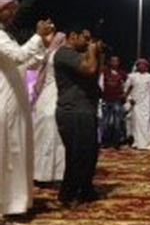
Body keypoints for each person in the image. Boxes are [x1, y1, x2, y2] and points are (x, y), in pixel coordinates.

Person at [0, 0, 54, 223]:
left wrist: (42, 43)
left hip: (17, 98)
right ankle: (6, 205)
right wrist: (37, 37)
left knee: (18, 150)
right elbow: (19, 57)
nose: (13, 13)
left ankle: (17, 203)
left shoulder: (6, 36)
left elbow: (27, 65)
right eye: (9, 9)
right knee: (7, 152)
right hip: (5, 99)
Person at [54, 28, 103, 208]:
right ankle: (68, 194)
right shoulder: (64, 54)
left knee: (89, 153)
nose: (88, 42)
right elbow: (89, 69)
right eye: (86, 38)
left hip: (85, 109)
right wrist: (92, 50)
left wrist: (98, 54)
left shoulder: (80, 55)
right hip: (72, 110)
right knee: (77, 154)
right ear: (73, 36)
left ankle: (85, 189)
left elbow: (96, 74)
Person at [31, 32, 67, 186]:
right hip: (54, 96)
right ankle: (51, 173)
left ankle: (42, 173)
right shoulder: (58, 56)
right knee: (52, 134)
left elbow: (39, 78)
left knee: (47, 134)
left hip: (47, 97)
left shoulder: (48, 55)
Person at [124, 58, 150, 150]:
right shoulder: (132, 76)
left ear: (147, 67)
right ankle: (137, 143)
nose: (142, 66)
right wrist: (130, 98)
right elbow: (126, 89)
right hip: (136, 103)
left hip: (146, 103)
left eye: (144, 65)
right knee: (136, 123)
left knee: (146, 123)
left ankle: (147, 143)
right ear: (137, 66)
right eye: (139, 65)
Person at [101, 55, 128, 149]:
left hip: (117, 99)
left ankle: (116, 142)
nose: (114, 62)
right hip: (106, 99)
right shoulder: (105, 72)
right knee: (106, 122)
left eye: (116, 61)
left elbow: (128, 84)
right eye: (112, 61)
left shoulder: (122, 74)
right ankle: (106, 142)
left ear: (119, 62)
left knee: (117, 122)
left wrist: (125, 94)